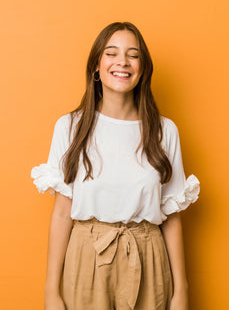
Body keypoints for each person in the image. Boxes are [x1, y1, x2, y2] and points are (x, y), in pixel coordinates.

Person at [31, 21, 200, 310]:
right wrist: (51, 292)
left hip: (149, 257)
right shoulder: (70, 127)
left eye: (133, 55)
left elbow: (171, 216)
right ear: (96, 67)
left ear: (143, 68)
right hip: (86, 257)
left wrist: (180, 291)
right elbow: (62, 213)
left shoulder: (163, 130)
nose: (122, 61)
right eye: (111, 53)